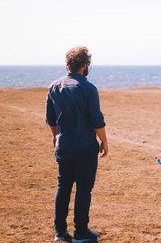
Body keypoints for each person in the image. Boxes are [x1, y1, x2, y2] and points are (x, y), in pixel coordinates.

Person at [46, 46, 108, 242]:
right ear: (85, 64)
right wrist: (104, 142)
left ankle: (60, 232)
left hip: (63, 146)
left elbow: (51, 119)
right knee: (83, 189)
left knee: (63, 187)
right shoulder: (89, 88)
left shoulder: (54, 86)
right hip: (85, 147)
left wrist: (56, 136)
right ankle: (81, 232)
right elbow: (96, 120)